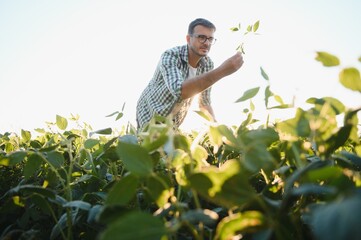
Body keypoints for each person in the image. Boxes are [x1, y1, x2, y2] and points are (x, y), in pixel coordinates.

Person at [136, 18, 244, 130]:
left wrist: (218, 128)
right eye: (201, 37)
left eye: (210, 39)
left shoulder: (207, 64)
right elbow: (180, 91)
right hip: (150, 114)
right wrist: (222, 71)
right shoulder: (171, 55)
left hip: (172, 123)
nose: (206, 43)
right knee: (150, 146)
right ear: (188, 39)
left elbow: (204, 102)